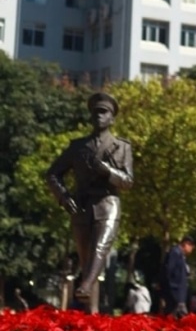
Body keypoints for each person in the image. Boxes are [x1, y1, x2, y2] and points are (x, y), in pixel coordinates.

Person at [46, 92, 133, 312]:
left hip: (108, 204)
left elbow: (128, 181)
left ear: (112, 118)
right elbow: (53, 174)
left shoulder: (122, 147)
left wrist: (108, 171)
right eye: (95, 112)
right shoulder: (77, 147)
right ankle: (89, 314)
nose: (99, 116)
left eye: (103, 112)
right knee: (87, 263)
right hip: (82, 206)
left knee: (100, 249)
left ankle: (85, 287)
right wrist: (63, 197)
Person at [161, 236, 196, 317]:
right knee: (175, 316)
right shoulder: (175, 253)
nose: (191, 250)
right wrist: (173, 291)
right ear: (186, 244)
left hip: (178, 293)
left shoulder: (180, 255)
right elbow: (169, 271)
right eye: (191, 247)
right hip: (175, 293)